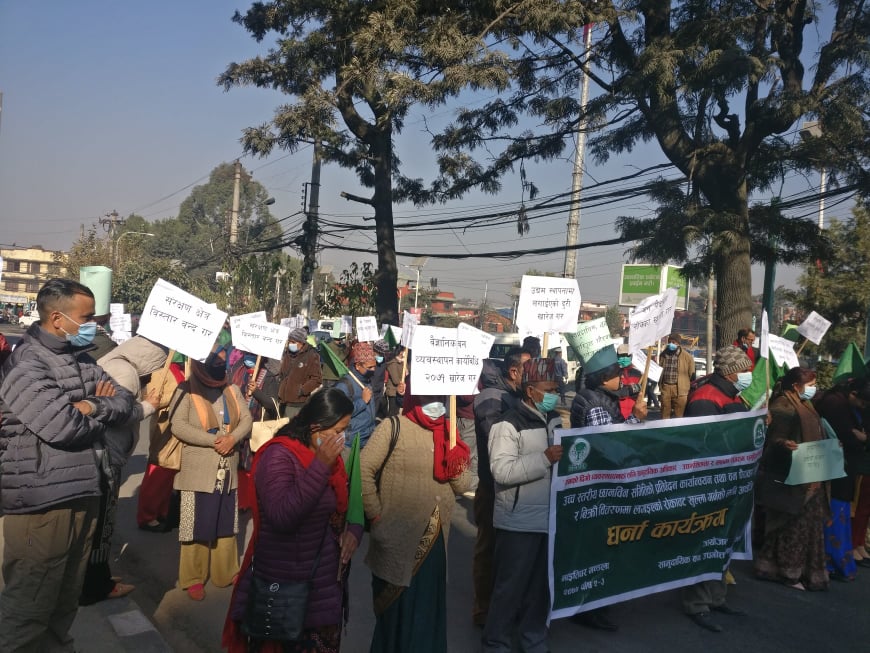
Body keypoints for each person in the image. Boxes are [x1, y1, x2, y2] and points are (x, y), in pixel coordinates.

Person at [0, 278, 135, 652]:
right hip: (43, 502)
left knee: (64, 602)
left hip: (84, 491)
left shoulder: (82, 359)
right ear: (58, 319)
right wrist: (99, 414)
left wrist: (91, 405)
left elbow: (126, 403)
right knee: (29, 609)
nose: (94, 326)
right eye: (87, 318)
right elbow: (62, 426)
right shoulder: (27, 364)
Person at [223, 388, 361, 653]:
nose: (342, 437)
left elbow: (341, 504)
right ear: (316, 427)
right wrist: (319, 466)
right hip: (287, 588)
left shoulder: (331, 460)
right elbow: (282, 516)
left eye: (345, 429)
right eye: (338, 430)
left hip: (324, 588)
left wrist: (353, 530)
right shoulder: (279, 456)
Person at [361, 391, 470, 652]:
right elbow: (364, 469)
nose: (436, 403)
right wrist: (376, 515)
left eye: (441, 398)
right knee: (397, 617)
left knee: (427, 612)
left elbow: (463, 485)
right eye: (428, 397)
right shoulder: (393, 427)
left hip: (435, 542)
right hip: (395, 542)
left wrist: (453, 458)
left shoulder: (449, 431)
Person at [481, 359, 563, 652]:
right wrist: (544, 459)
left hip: (548, 520)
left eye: (556, 389)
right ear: (530, 390)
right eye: (549, 389)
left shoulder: (555, 420)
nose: (554, 395)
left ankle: (533, 638)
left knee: (540, 590)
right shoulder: (507, 424)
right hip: (517, 521)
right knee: (509, 590)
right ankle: (496, 643)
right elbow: (501, 471)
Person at [79, 336, 165, 605]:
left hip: (101, 454)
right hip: (107, 457)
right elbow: (118, 413)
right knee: (102, 523)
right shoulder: (125, 372)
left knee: (95, 522)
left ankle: (95, 575)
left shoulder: (114, 363)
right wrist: (149, 405)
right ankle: (96, 585)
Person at [568, 344, 645, 632]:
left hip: (596, 485)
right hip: (598, 486)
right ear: (603, 378)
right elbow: (609, 445)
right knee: (597, 549)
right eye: (616, 375)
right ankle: (590, 608)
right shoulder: (597, 405)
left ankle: (592, 604)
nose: (621, 379)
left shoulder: (596, 398)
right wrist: (635, 419)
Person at [170, 344, 253, 601]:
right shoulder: (186, 389)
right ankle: (193, 577)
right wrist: (214, 441)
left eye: (221, 361)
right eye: (214, 361)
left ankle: (225, 571)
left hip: (227, 468)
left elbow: (247, 419)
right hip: (198, 469)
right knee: (195, 524)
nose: (219, 365)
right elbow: (178, 425)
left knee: (226, 522)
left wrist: (233, 438)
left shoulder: (232, 388)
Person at [681, 345, 752, 633]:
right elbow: (700, 441)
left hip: (731, 478)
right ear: (732, 372)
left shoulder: (733, 394)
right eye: (745, 369)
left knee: (721, 541)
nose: (749, 374)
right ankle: (697, 603)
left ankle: (716, 597)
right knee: (704, 542)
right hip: (709, 481)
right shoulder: (705, 398)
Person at [754, 367, 829, 591]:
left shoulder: (805, 404)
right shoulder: (783, 406)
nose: (814, 389)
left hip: (810, 475)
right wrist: (784, 444)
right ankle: (787, 571)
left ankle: (800, 570)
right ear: (796, 386)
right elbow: (773, 439)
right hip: (791, 476)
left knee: (806, 527)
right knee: (789, 527)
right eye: (811, 385)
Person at [471, 350, 528, 627]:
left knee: (512, 551)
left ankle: (507, 605)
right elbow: (496, 439)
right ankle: (483, 609)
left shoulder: (519, 396)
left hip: (518, 486)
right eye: (529, 368)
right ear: (514, 372)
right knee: (488, 548)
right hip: (492, 487)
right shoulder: (490, 398)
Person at [816, 378, 870, 577]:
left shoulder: (842, 403)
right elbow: (847, 436)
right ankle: (832, 561)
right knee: (834, 516)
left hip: (842, 467)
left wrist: (862, 437)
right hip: (837, 467)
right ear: (853, 394)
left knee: (841, 514)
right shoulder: (836, 404)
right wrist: (859, 438)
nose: (863, 407)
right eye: (862, 402)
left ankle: (837, 560)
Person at [229, 350, 281, 512]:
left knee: (250, 466)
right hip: (235, 425)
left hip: (255, 426)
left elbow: (272, 405)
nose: (249, 358)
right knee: (236, 464)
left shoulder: (269, 375)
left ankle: (247, 501)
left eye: (253, 355)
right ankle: (237, 498)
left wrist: (257, 391)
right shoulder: (238, 370)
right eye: (247, 354)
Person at [336, 341, 378, 450]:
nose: (373, 370)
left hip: (367, 437)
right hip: (351, 440)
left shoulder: (367, 380)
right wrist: (363, 401)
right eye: (370, 367)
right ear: (358, 366)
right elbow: (339, 413)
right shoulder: (344, 385)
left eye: (374, 366)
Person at [278, 328, 323, 419]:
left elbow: (317, 379)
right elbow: (282, 373)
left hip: (297, 403)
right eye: (289, 341)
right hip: (282, 400)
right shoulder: (287, 353)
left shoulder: (311, 355)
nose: (290, 344)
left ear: (301, 343)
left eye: (293, 342)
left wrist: (302, 390)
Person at [658, 333, 695, 419]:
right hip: (666, 387)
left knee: (679, 415)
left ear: (678, 343)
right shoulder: (663, 355)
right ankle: (665, 427)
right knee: (664, 414)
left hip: (680, 389)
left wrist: (687, 387)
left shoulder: (687, 357)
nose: (671, 344)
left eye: (674, 342)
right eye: (670, 342)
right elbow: (660, 370)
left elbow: (692, 374)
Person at [616, 343, 643, 421]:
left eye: (627, 355)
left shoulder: (637, 373)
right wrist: (629, 389)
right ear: (617, 356)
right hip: (617, 413)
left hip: (633, 413)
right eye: (621, 356)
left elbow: (642, 392)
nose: (624, 358)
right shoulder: (613, 373)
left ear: (631, 356)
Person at [384, 346, 407, 417]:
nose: (405, 353)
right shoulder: (393, 363)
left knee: (396, 412)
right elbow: (396, 380)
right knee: (392, 412)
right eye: (404, 351)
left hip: (399, 391)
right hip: (393, 391)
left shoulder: (402, 362)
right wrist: (403, 382)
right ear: (400, 352)